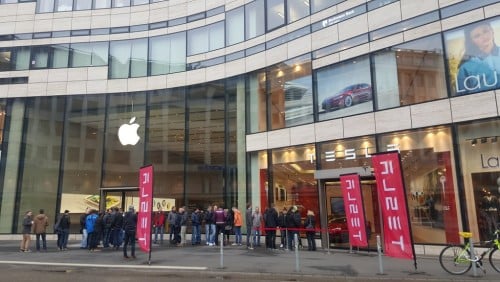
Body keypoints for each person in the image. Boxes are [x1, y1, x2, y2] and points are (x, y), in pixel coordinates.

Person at [455, 21, 500, 95]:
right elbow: (462, 96)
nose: (484, 37)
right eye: (477, 36)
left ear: (492, 31)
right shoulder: (466, 67)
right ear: (472, 41)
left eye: (485, 31)